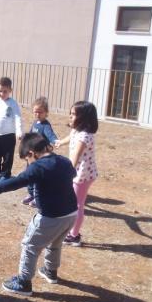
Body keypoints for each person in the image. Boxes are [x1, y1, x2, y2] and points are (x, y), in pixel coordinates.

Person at [0, 133, 77, 296]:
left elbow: (15, 183)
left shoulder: (38, 167)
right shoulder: (64, 161)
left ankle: (24, 282)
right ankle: (50, 271)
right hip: (70, 214)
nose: (27, 163)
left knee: (30, 245)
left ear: (32, 153)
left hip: (50, 217)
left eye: (26, 159)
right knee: (55, 243)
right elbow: (71, 174)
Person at [55, 101, 99, 247]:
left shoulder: (85, 136)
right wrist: (61, 142)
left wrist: (64, 174)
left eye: (74, 114)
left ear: (84, 118)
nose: (70, 116)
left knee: (77, 205)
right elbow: (70, 137)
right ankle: (73, 232)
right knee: (75, 203)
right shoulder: (77, 131)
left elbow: (75, 158)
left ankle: (74, 236)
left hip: (82, 175)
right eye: (71, 113)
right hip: (79, 173)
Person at [22, 97, 57, 206]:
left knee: (38, 176)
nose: (37, 114)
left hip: (40, 157)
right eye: (35, 112)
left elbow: (51, 135)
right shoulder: (35, 123)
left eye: (40, 112)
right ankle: (31, 193)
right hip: (32, 155)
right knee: (30, 173)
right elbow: (31, 134)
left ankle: (38, 197)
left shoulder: (45, 125)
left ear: (46, 113)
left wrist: (55, 141)